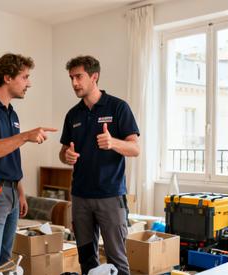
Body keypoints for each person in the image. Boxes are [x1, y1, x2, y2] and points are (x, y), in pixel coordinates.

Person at [0, 53, 56, 265]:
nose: (29, 83)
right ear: (8, 78)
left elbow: (11, 155)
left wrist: (20, 192)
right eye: (25, 77)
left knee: (6, 260)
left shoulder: (11, 113)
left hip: (12, 193)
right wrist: (25, 136)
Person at [59, 55, 140, 275]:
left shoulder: (118, 107)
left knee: (117, 260)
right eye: (71, 78)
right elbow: (63, 152)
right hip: (80, 197)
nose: (74, 83)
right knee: (87, 260)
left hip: (110, 197)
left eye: (79, 77)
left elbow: (135, 149)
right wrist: (66, 156)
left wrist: (112, 142)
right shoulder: (72, 114)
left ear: (94, 76)